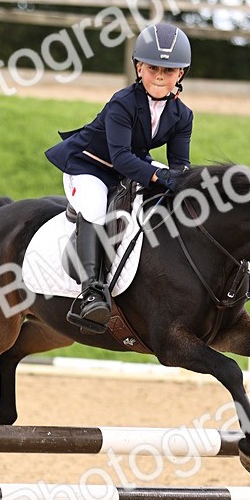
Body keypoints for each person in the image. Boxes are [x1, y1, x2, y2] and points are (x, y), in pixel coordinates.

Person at [45, 21, 193, 332]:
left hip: (131, 163)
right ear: (139, 68)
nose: (160, 76)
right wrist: (162, 178)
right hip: (89, 165)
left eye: (169, 71)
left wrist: (180, 183)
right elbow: (121, 158)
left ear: (180, 74)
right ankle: (92, 291)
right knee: (96, 209)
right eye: (153, 68)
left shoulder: (183, 115)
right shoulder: (122, 103)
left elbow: (180, 164)